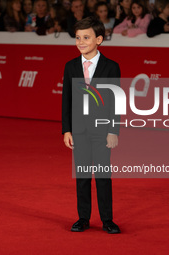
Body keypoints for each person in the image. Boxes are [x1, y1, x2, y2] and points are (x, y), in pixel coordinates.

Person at [62, 16, 121, 234]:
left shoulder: (111, 67)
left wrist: (113, 130)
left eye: (86, 37)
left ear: (99, 40)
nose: (81, 42)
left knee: (103, 176)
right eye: (78, 38)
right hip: (79, 132)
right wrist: (66, 129)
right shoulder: (70, 67)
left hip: (102, 131)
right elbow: (66, 99)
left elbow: (116, 102)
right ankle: (83, 218)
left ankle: (107, 219)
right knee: (83, 176)